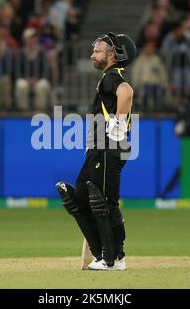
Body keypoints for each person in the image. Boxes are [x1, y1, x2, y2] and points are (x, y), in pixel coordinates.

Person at [55, 32, 136, 270]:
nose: (93, 54)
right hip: (98, 147)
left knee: (104, 203)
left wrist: (118, 127)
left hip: (108, 147)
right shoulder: (107, 78)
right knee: (78, 198)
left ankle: (114, 259)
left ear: (113, 55)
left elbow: (127, 92)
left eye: (98, 51)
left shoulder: (112, 77)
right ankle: (101, 253)